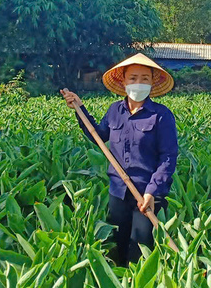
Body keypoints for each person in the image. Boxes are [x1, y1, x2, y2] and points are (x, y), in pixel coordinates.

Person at [60, 53, 178, 266]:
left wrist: (152, 191)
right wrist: (80, 109)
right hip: (118, 191)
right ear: (123, 81)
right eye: (133, 78)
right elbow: (98, 136)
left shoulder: (161, 115)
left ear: (152, 82)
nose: (138, 83)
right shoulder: (115, 110)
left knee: (140, 248)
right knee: (118, 243)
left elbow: (168, 158)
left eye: (144, 78)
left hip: (147, 193)